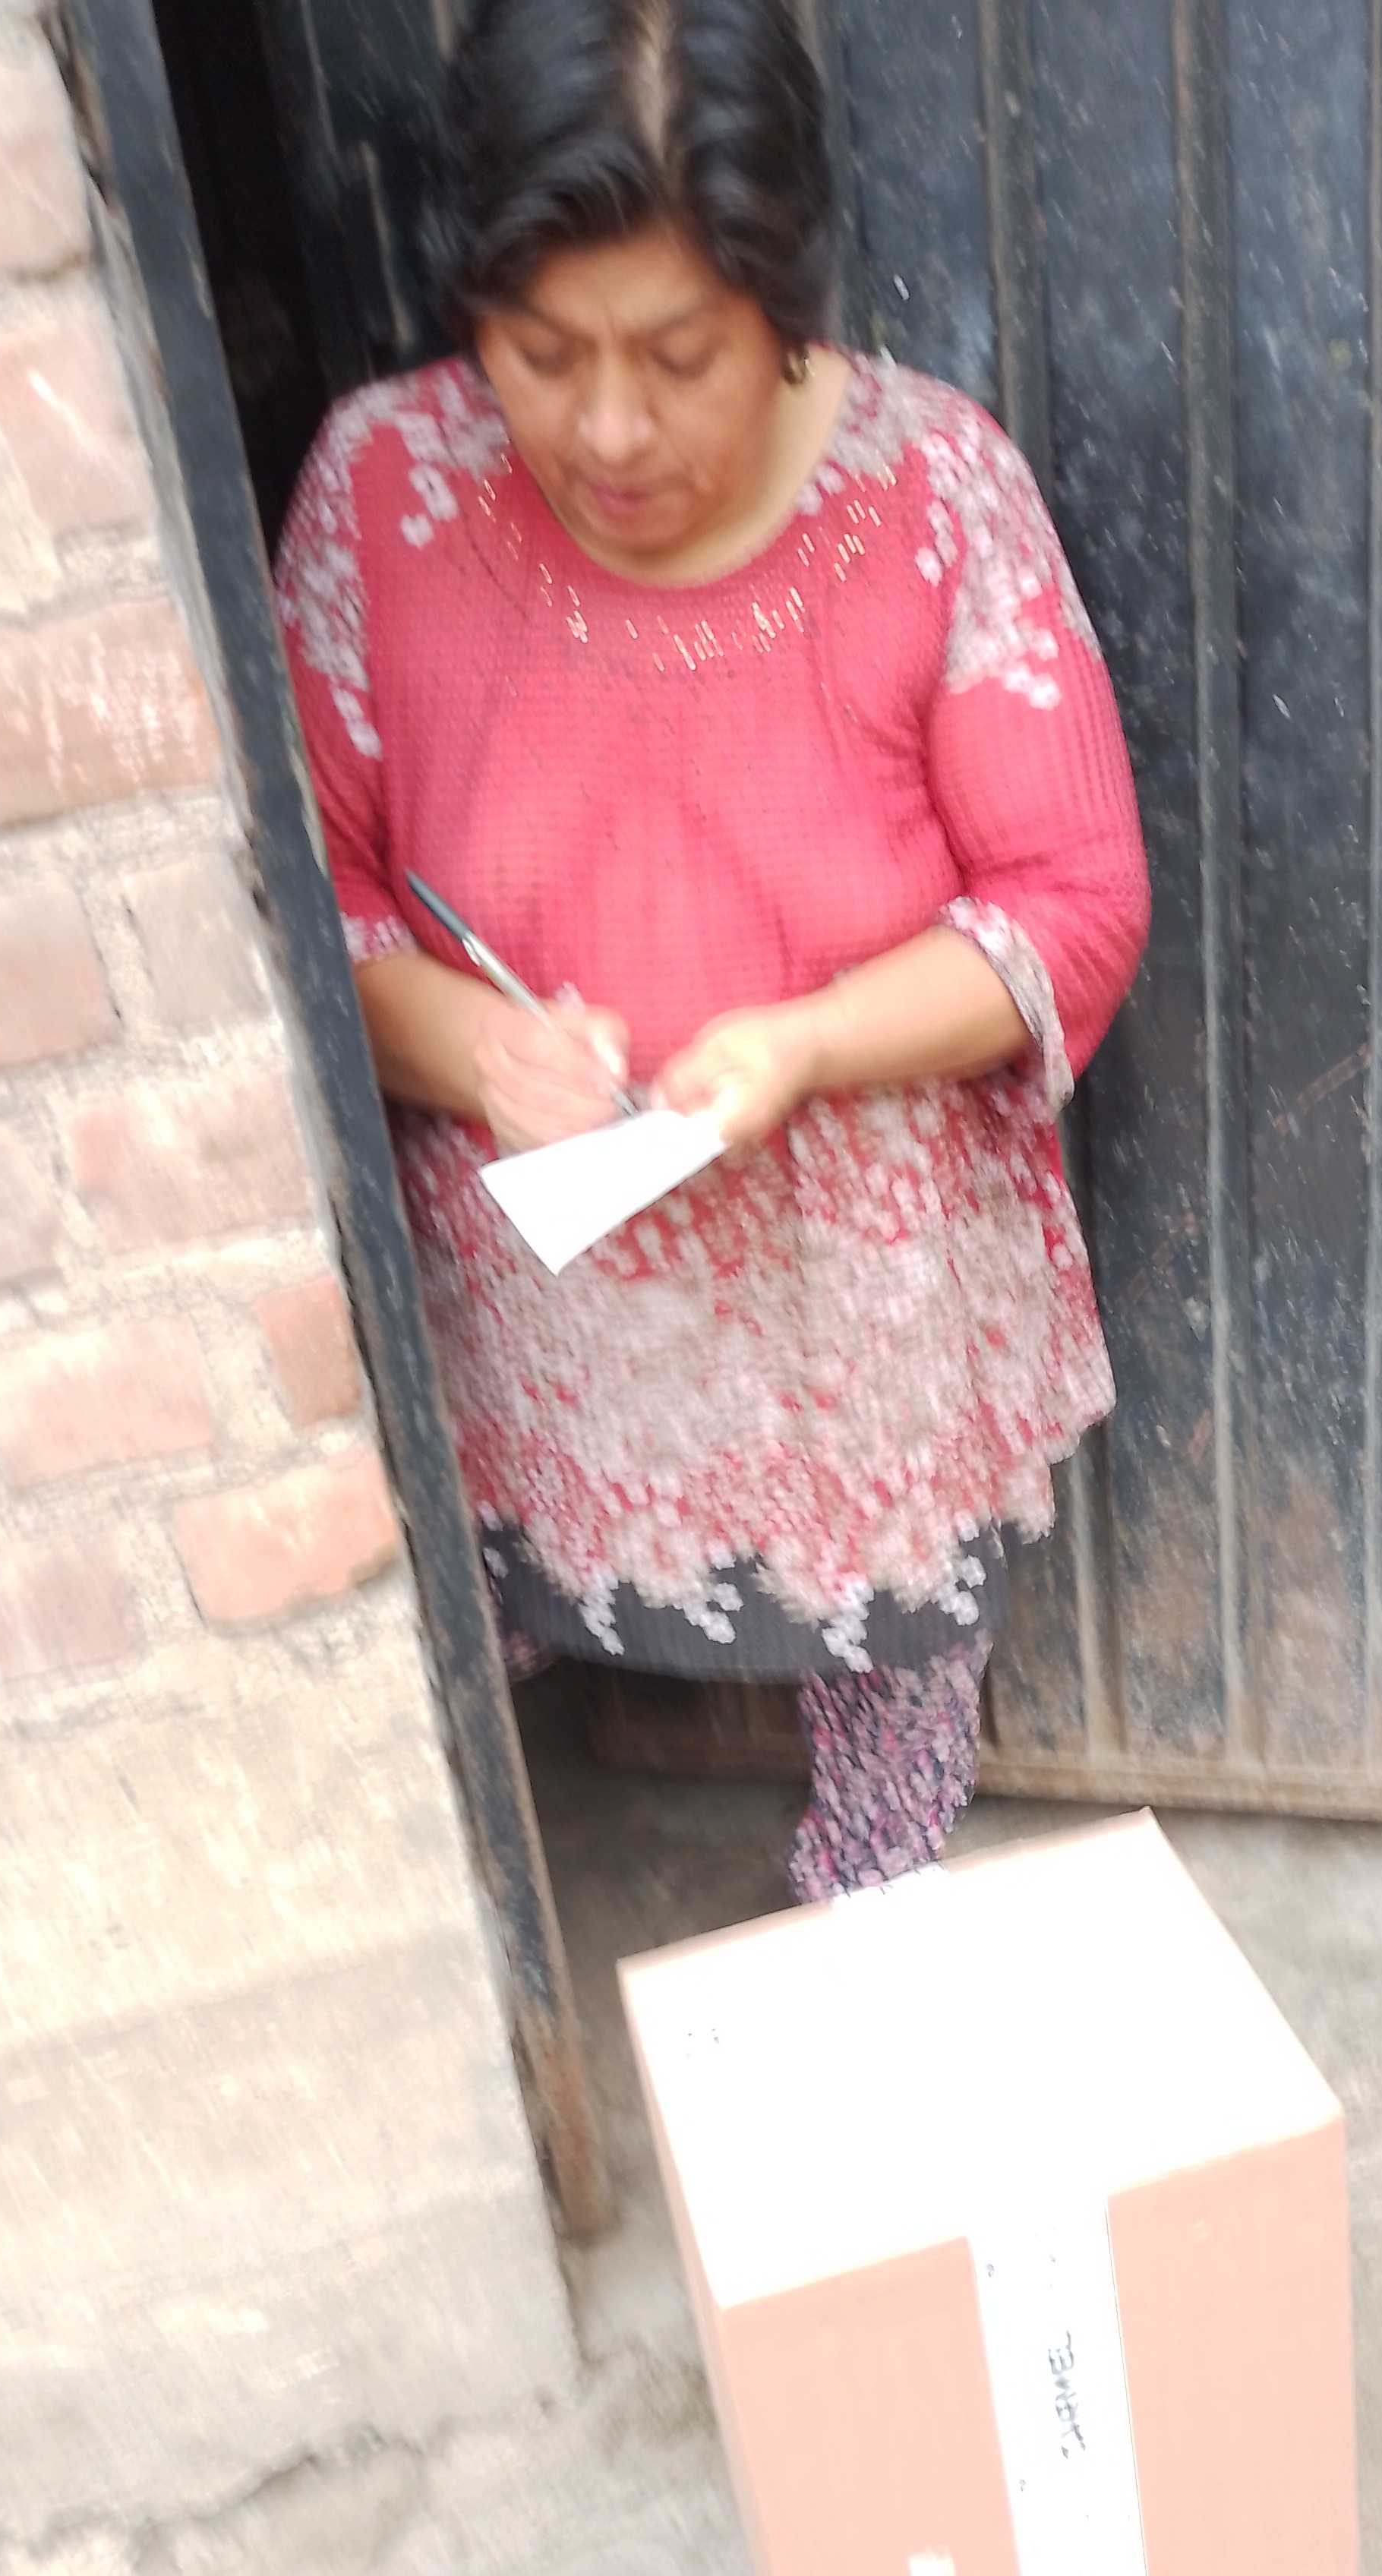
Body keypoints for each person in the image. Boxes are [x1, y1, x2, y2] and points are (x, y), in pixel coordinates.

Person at [273, 0, 1149, 1901]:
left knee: (893, 1662)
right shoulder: (384, 490)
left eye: (678, 357)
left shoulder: (931, 491)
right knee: (428, 1625)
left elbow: (1070, 899)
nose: (607, 428)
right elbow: (291, 897)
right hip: (533, 1258)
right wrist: (468, 1044)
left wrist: (811, 1042)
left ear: (788, 307)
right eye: (539, 351)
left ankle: (877, 1868)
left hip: (858, 1276)